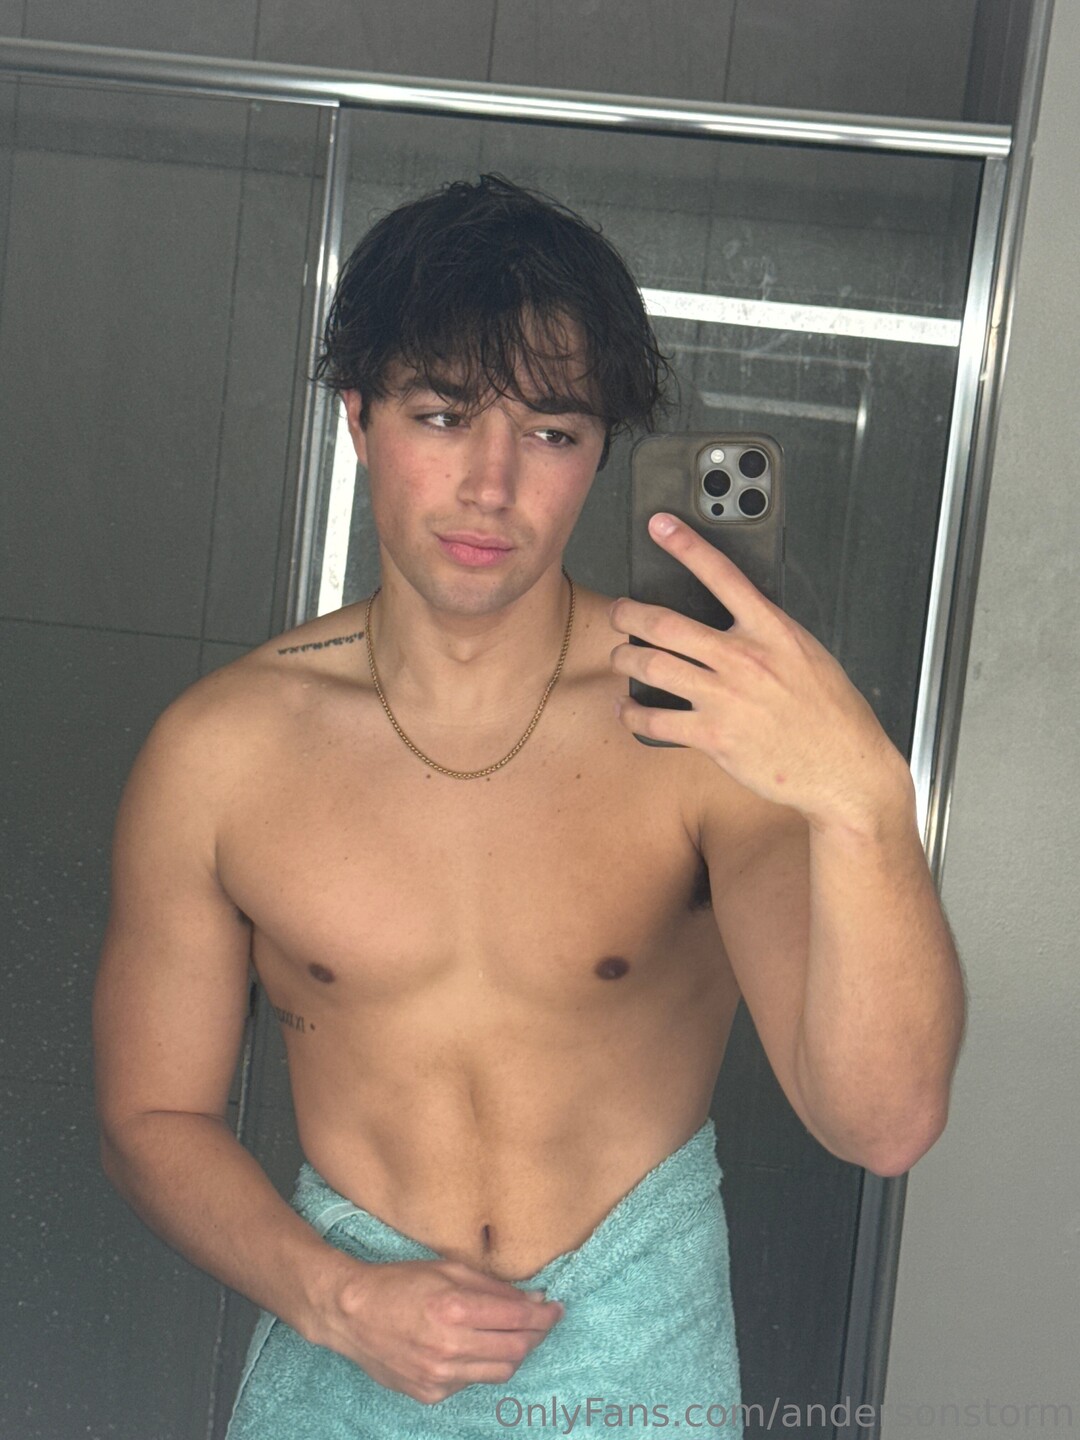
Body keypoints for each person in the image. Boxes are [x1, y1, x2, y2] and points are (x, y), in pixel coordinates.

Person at [93, 174, 966, 1437]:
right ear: (359, 419)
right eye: (443, 416)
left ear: (600, 452)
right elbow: (149, 1116)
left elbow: (882, 1124)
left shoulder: (704, 729)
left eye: (552, 432)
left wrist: (866, 802)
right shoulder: (218, 753)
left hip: (641, 1372)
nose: (491, 484)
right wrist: (336, 1297)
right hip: (343, 1371)